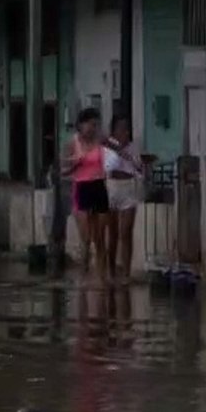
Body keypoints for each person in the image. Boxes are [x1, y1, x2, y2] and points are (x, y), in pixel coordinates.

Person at [61, 108, 110, 281]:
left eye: (96, 125)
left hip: (99, 185)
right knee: (86, 238)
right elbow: (63, 171)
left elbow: (117, 153)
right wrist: (76, 164)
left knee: (100, 237)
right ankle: (84, 274)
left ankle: (102, 277)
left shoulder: (101, 141)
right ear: (81, 125)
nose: (93, 129)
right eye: (90, 125)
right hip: (81, 187)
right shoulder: (72, 144)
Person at [103, 115, 143, 283]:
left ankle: (126, 272)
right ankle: (111, 270)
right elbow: (108, 167)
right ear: (114, 131)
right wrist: (117, 149)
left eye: (127, 129)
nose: (125, 132)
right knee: (112, 233)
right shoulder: (107, 148)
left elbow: (139, 168)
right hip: (112, 189)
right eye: (121, 129)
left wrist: (136, 162)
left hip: (129, 189)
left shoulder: (134, 148)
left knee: (126, 232)